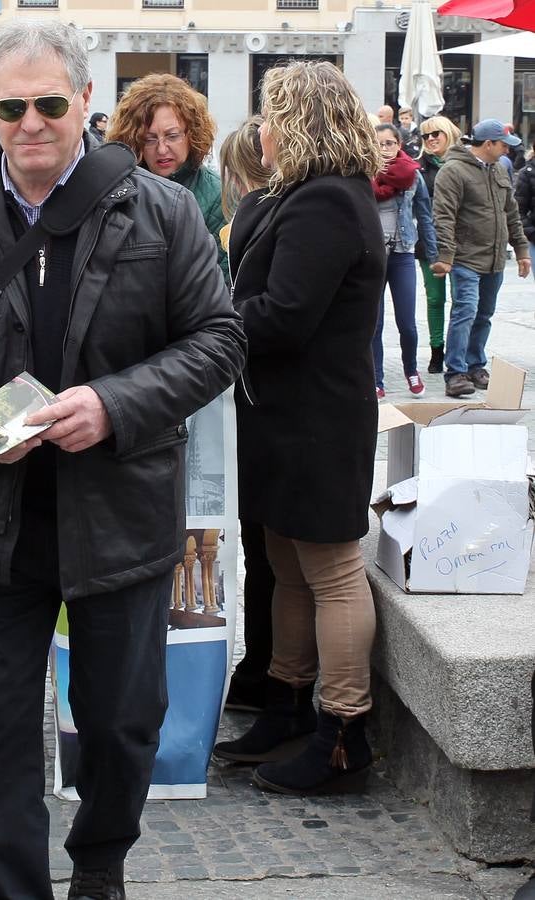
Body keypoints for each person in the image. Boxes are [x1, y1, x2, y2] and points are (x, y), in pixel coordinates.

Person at [0, 20, 246, 899]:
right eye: (11, 108)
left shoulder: (160, 209)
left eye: (49, 103)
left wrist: (113, 405)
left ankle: (99, 865)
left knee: (122, 724)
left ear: (85, 100)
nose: (31, 123)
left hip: (119, 512)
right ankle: (10, 888)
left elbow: (218, 339)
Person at [212, 60, 385, 796]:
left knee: (330, 569)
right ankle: (284, 702)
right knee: (284, 561)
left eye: (271, 115)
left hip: (316, 417)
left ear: (298, 123)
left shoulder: (327, 203)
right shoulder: (301, 195)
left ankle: (343, 733)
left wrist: (205, 325)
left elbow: (284, 315)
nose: (261, 131)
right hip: (282, 415)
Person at [217, 116, 276, 714]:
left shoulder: (252, 223)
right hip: (261, 402)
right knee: (265, 555)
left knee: (267, 555)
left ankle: (263, 669)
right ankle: (261, 667)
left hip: (264, 405)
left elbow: (266, 314)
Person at [430, 118, 530, 398]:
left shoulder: (498, 169)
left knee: (484, 315)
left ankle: (475, 366)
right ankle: (455, 373)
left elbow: (512, 213)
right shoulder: (453, 171)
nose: (507, 150)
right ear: (488, 144)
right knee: (465, 312)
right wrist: (446, 255)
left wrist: (521, 251)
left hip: (494, 259)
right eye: (503, 145)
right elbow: (443, 217)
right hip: (466, 259)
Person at [107, 73, 230, 282]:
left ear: (192, 134)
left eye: (172, 136)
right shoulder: (117, 190)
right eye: (149, 139)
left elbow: (222, 279)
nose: (162, 149)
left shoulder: (217, 195)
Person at [372, 123, 436, 399]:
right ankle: (376, 378)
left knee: (407, 323)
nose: (385, 149)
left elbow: (425, 216)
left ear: (399, 145)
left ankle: (411, 370)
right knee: (374, 323)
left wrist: (433, 255)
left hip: (403, 254)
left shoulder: (413, 175)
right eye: (379, 144)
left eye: (390, 143)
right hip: (373, 256)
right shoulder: (364, 175)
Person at [416, 115, 462, 373]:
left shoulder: (463, 163)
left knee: (462, 299)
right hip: (430, 243)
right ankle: (437, 350)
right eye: (426, 136)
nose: (430, 139)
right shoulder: (418, 167)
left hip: (461, 243)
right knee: (435, 299)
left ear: (448, 133)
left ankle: (457, 352)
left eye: (436, 134)